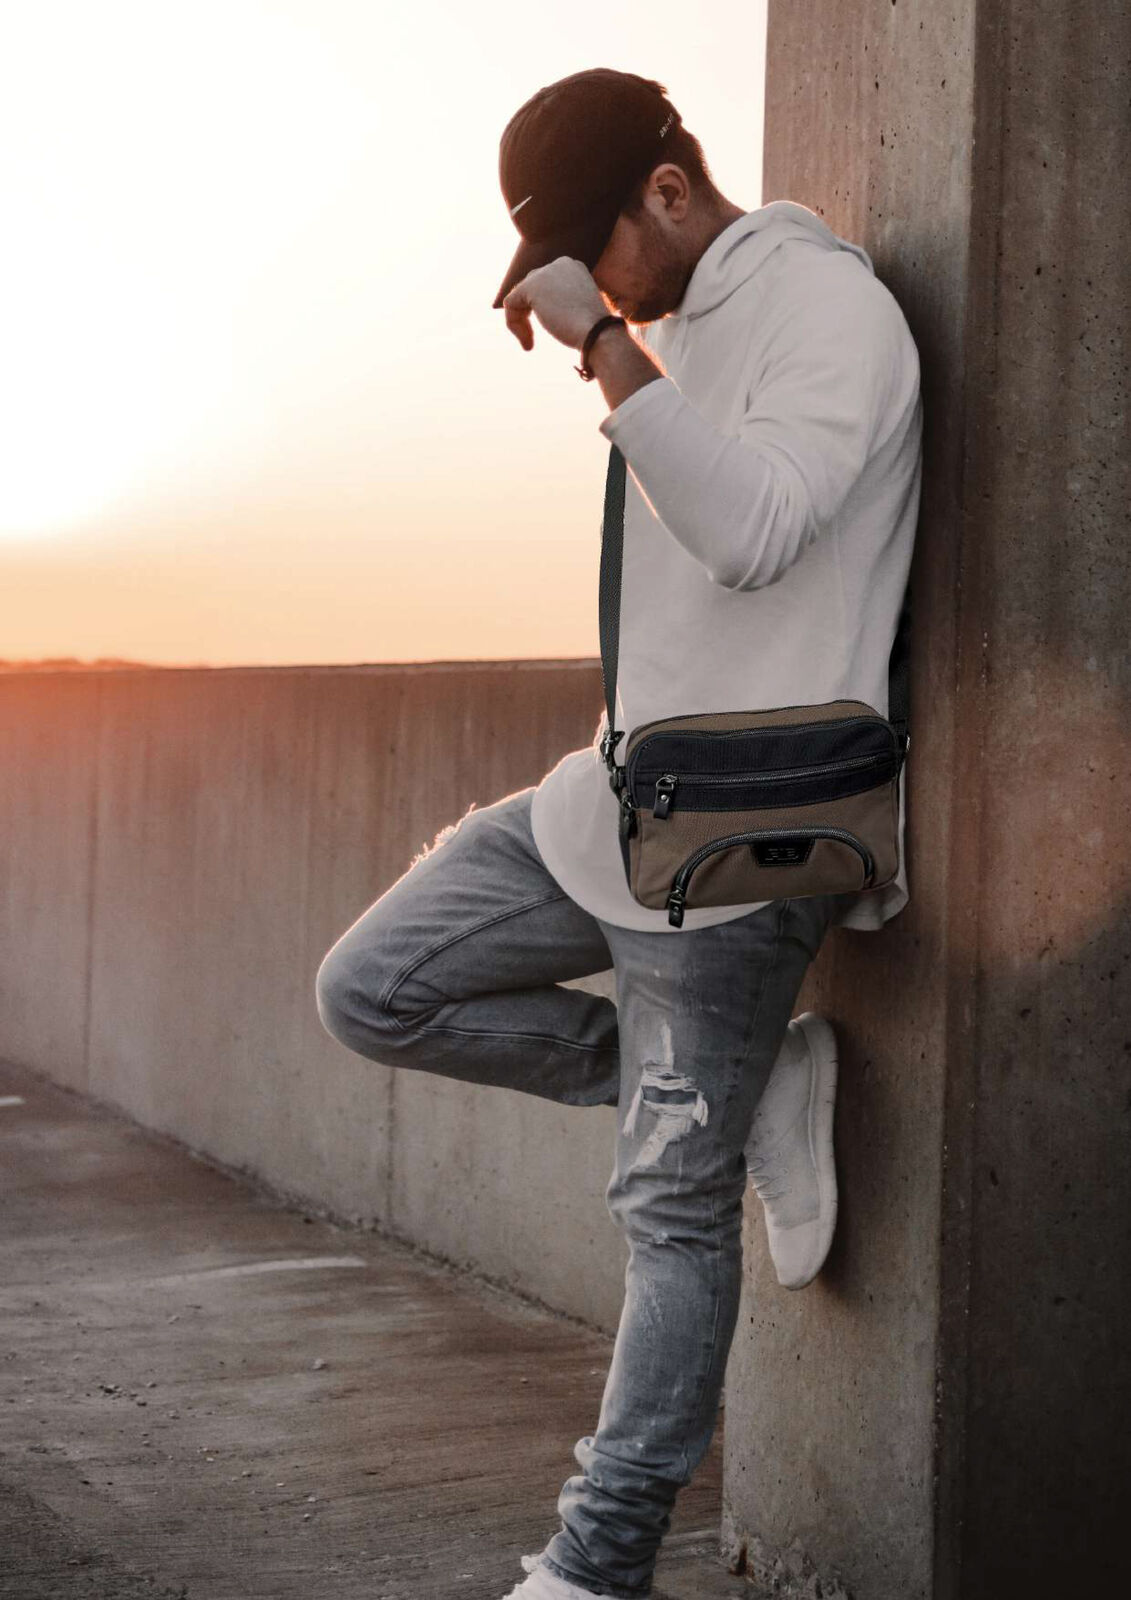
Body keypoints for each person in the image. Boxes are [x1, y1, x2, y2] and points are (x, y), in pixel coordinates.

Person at [315, 66, 922, 1600]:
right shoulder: (679, 325)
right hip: (612, 804)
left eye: (595, 254)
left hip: (740, 848)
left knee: (669, 1210)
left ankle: (596, 1569)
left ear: (668, 189)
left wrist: (604, 343)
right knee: (371, 990)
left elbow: (755, 531)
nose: (595, 291)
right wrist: (619, 333)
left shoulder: (830, 309)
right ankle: (747, 1085)